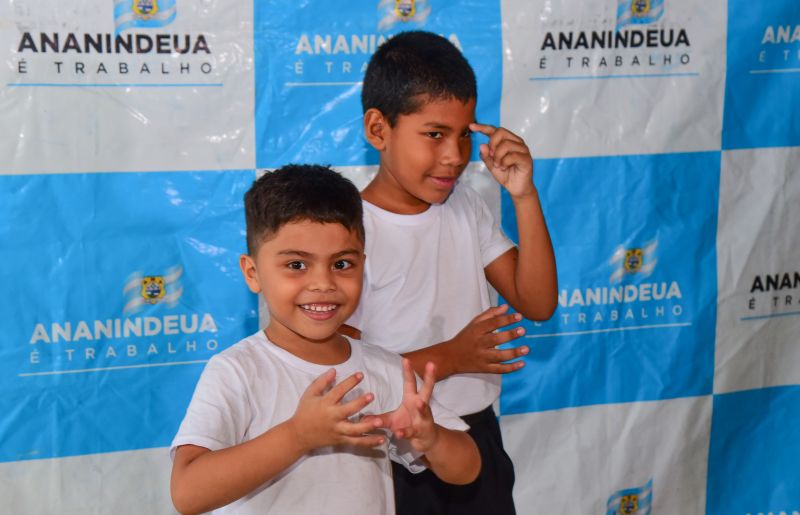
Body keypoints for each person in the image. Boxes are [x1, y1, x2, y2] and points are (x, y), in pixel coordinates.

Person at [169, 164, 481, 515]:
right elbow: (187, 492)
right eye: (297, 265)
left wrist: (432, 438)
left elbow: (467, 469)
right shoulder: (237, 371)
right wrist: (297, 436)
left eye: (342, 264)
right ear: (252, 273)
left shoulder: (383, 368)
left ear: (364, 265)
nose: (323, 283)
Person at [343, 31, 558, 514]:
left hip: (474, 436)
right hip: (387, 452)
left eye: (464, 134)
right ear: (378, 130)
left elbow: (539, 302)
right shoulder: (347, 231)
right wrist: (451, 357)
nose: (455, 155)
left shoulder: (466, 205)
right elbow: (345, 373)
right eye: (435, 134)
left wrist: (523, 195)